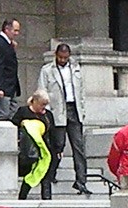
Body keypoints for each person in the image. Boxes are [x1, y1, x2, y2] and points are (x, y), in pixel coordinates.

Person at [37, 43, 91, 194]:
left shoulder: (76, 68)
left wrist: (83, 109)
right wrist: (45, 113)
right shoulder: (47, 70)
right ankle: (50, 174)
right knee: (58, 146)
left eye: (65, 57)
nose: (62, 60)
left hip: (74, 109)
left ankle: (81, 181)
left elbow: (81, 91)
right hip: (57, 111)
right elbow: (41, 91)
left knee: (78, 146)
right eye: (60, 57)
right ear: (56, 55)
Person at [11, 90, 62, 200]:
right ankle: (22, 197)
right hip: (29, 150)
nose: (44, 107)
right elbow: (13, 127)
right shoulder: (23, 111)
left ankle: (47, 199)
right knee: (31, 175)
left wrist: (58, 148)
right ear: (34, 101)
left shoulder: (48, 115)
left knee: (46, 176)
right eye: (42, 104)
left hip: (45, 149)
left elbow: (53, 132)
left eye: (46, 105)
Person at [0, 18, 21, 120]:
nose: (17, 33)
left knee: (12, 113)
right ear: (7, 29)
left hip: (11, 87)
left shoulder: (7, 44)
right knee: (3, 113)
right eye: (15, 30)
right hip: (2, 87)